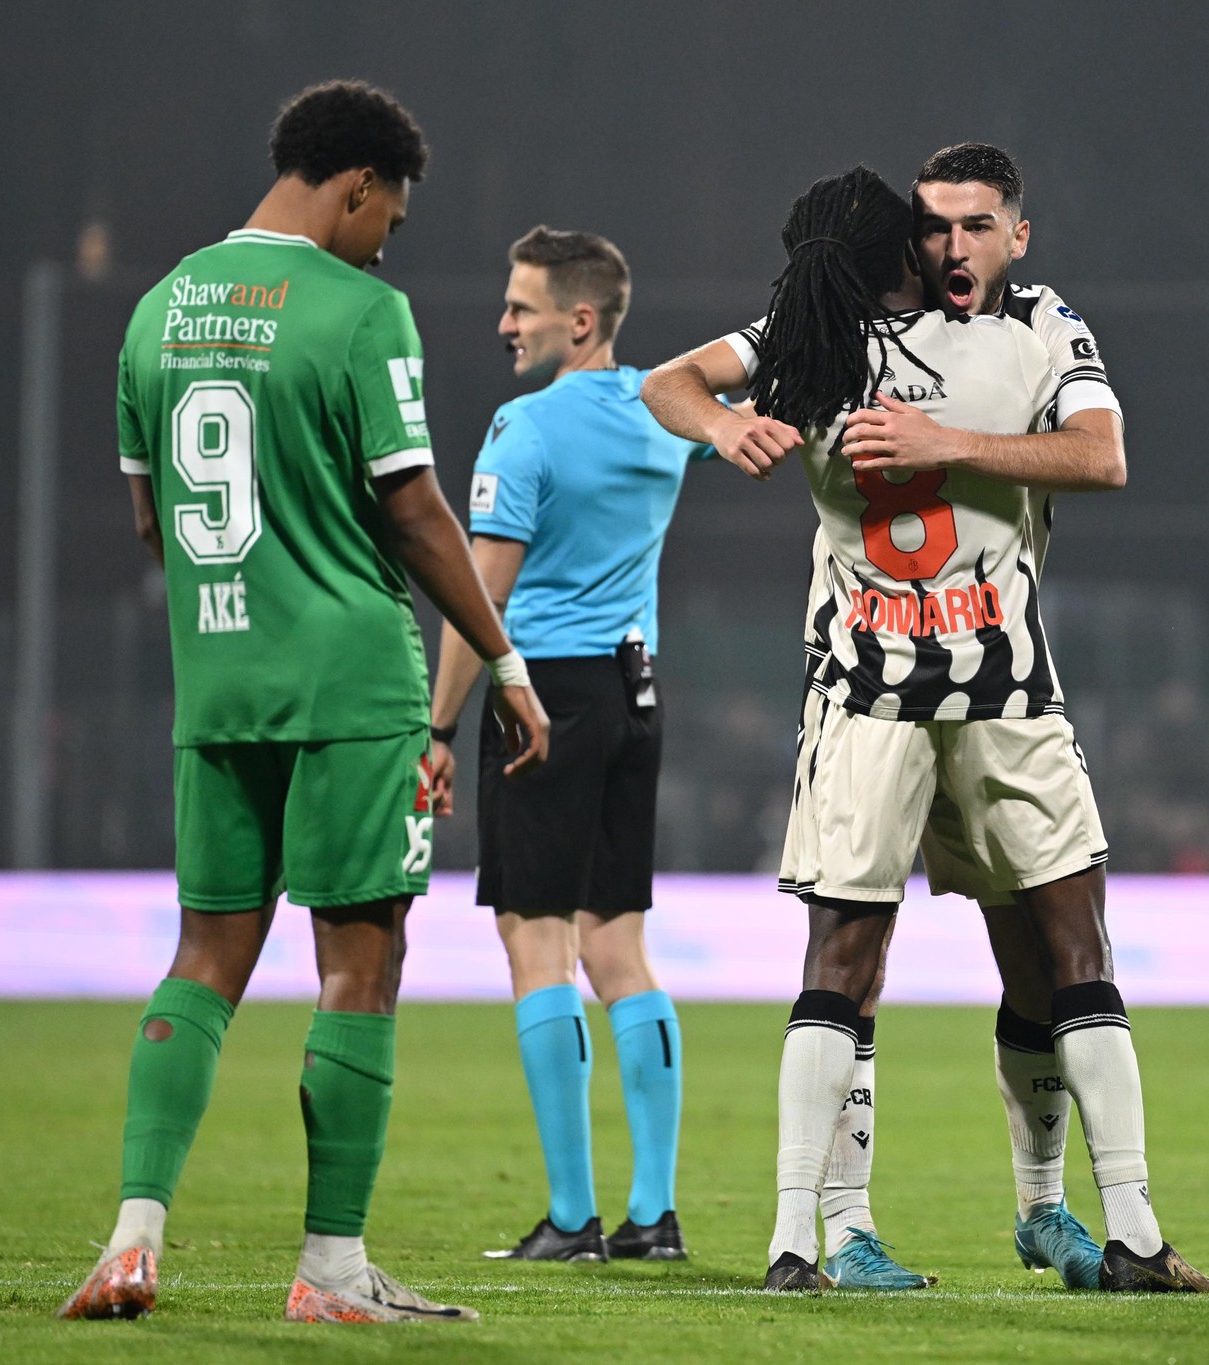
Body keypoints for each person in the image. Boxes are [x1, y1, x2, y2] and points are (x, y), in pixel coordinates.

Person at [643, 162, 1209, 1295]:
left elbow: (1101, 456)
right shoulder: (819, 328)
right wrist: (720, 429)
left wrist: (938, 444)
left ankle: (1105, 1227)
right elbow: (669, 382)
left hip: (1006, 698)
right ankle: (817, 1237)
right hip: (865, 701)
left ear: (1015, 231)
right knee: (843, 963)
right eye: (932, 228)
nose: (953, 246)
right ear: (903, 244)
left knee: (1059, 959)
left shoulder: (1044, 327)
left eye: (973, 225)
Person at [57, 80, 550, 1327]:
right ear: (355, 189)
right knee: (360, 959)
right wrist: (501, 661)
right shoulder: (358, 308)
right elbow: (413, 506)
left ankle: (131, 1239)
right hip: (350, 685)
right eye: (388, 213)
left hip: (216, 684)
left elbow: (148, 523)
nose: (388, 238)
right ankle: (331, 1273)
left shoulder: (157, 311)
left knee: (206, 956)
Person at [427, 227, 705, 1264]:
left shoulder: (523, 428)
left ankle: (572, 1219)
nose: (503, 324)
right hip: (637, 691)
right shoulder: (660, 413)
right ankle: (652, 1217)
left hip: (540, 695)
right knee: (618, 948)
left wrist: (437, 726)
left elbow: (478, 600)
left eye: (521, 306)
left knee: (535, 944)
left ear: (576, 320)